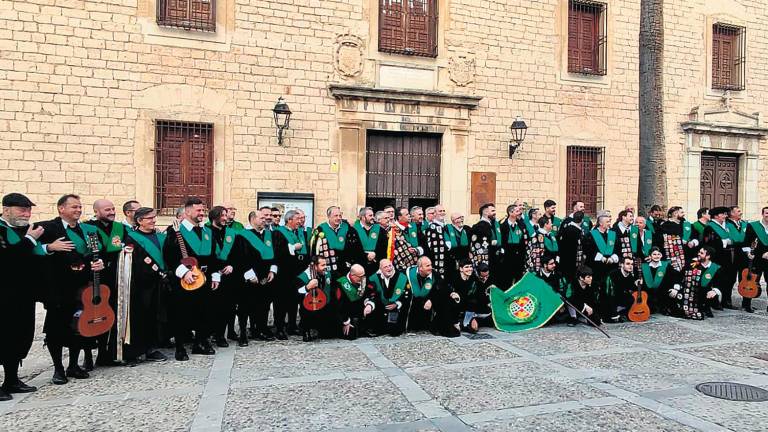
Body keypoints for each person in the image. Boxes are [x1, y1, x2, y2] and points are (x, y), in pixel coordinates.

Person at [37, 194, 103, 384]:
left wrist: (99, 263)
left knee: (79, 327)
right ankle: (58, 368)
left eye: (80, 207)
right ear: (61, 209)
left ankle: (73, 365)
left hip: (83, 288)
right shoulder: (48, 228)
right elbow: (30, 248)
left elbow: (96, 253)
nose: (78, 210)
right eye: (74, 207)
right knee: (56, 330)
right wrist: (49, 247)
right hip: (57, 289)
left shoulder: (89, 230)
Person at [162, 198, 219, 361]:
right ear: (187, 212)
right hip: (185, 279)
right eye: (198, 211)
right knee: (182, 313)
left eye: (203, 211)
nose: (202, 214)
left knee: (204, 311)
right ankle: (180, 347)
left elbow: (213, 256)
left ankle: (200, 343)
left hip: (205, 278)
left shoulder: (208, 232)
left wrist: (215, 274)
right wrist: (184, 273)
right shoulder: (175, 231)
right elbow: (169, 255)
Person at [0, 193, 45, 400]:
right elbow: (9, 259)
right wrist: (30, 239)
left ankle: (11, 379)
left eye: (28, 210)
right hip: (3, 294)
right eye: (21, 209)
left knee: (19, 336)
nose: (26, 214)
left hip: (23, 294)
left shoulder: (24, 230)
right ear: (6, 209)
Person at [120, 207, 169, 365]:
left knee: (155, 316)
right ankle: (133, 352)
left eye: (154, 217)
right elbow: (134, 263)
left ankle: (151, 348)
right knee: (138, 318)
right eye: (149, 218)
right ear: (140, 221)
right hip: (140, 285)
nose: (153, 221)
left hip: (159, 283)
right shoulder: (132, 238)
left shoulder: (160, 237)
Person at [83, 199, 126, 368]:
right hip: (94, 278)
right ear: (96, 211)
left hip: (115, 278)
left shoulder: (120, 228)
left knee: (110, 316)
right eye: (107, 209)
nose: (112, 212)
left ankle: (104, 353)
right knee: (90, 315)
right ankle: (87, 355)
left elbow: (129, 243)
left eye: (113, 209)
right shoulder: (87, 227)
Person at [235, 210, 277, 344]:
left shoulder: (269, 235)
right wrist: (249, 273)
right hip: (249, 277)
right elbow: (239, 257)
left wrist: (272, 270)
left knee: (263, 305)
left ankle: (260, 329)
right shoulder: (242, 236)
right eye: (261, 218)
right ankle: (243, 333)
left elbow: (275, 254)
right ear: (252, 219)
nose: (264, 220)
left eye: (265, 218)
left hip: (265, 276)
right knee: (245, 306)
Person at [273, 210, 310, 339]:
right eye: (297, 219)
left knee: (294, 299)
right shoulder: (279, 232)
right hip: (284, 273)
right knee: (281, 301)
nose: (299, 221)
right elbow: (278, 251)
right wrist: (293, 248)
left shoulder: (299, 232)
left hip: (297, 272)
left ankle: (292, 325)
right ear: (289, 220)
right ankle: (279, 328)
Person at [404, 256, 461, 337]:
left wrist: (451, 293)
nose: (431, 267)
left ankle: (439, 326)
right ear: (420, 268)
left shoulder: (434, 274)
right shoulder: (409, 274)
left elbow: (443, 287)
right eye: (427, 266)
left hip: (427, 301)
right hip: (412, 303)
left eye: (431, 265)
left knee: (446, 299)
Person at [207, 206, 238, 348]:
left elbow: (237, 253)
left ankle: (221, 335)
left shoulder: (231, 233)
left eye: (226, 215)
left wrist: (232, 265)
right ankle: (210, 333)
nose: (226, 218)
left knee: (227, 307)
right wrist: (215, 271)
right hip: (212, 275)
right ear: (214, 217)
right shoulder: (206, 232)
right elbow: (206, 255)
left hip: (229, 275)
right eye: (223, 216)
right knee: (212, 307)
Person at [668, 246, 723, 319]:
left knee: (713, 296)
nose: (698, 254)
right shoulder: (691, 263)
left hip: (703, 292)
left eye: (701, 253)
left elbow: (720, 283)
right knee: (671, 293)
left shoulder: (716, 268)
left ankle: (706, 308)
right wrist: (676, 288)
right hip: (689, 290)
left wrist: (714, 291)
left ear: (708, 256)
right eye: (699, 252)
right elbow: (679, 276)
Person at [310, 206, 360, 279]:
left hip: (345, 267)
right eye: (336, 216)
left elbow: (356, 247)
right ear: (329, 216)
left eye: (340, 215)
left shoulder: (348, 228)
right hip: (328, 265)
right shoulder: (320, 229)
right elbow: (314, 248)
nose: (339, 218)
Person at [703, 207, 736, 310]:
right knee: (717, 280)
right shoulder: (710, 227)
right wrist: (724, 242)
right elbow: (709, 243)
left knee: (730, 279)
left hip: (730, 257)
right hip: (718, 257)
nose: (725, 216)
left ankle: (727, 300)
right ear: (716, 216)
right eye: (723, 214)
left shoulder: (728, 225)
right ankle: (714, 302)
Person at [295, 255, 334, 341]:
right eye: (322, 265)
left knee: (330, 334)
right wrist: (307, 287)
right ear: (314, 266)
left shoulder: (327, 274)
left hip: (325, 307)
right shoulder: (303, 277)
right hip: (310, 307)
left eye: (326, 265)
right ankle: (306, 329)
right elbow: (296, 294)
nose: (325, 267)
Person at [334, 264, 377, 340]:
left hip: (361, 310)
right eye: (360, 276)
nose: (363, 278)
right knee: (351, 335)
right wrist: (345, 321)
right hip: (346, 314)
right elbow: (338, 305)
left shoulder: (363, 278)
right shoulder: (341, 283)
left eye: (364, 275)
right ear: (352, 275)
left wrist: (369, 304)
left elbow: (372, 292)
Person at [368, 259, 410, 336]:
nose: (389, 268)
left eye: (390, 266)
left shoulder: (402, 277)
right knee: (377, 330)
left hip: (396, 308)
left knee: (394, 332)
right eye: (385, 267)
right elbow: (371, 294)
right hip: (380, 307)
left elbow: (407, 295)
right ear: (380, 269)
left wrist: (397, 304)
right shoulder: (374, 278)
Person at [453, 259, 492, 333]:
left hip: (472, 308)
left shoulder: (474, 279)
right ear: (461, 269)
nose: (469, 269)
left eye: (471, 267)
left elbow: (480, 294)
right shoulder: (455, 279)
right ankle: (464, 323)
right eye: (466, 267)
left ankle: (470, 320)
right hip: (458, 306)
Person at [584, 214, 620, 294]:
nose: (609, 223)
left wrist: (612, 258)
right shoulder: (591, 235)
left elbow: (618, 249)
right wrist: (601, 258)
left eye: (609, 221)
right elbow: (588, 250)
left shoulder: (613, 234)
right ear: (600, 223)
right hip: (596, 267)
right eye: (607, 222)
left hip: (611, 267)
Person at [640, 247, 681, 315]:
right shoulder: (644, 267)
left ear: (661, 255)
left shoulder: (666, 265)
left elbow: (676, 275)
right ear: (650, 256)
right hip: (649, 294)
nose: (657, 256)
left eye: (658, 254)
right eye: (654, 254)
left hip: (663, 292)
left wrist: (675, 288)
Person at [655, 207, 697, 272]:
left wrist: (693, 242)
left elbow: (695, 236)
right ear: (675, 213)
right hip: (672, 256)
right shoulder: (665, 226)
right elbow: (659, 240)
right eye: (682, 212)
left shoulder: (687, 224)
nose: (684, 214)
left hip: (687, 256)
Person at [743, 207, 768, 313]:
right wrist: (748, 253)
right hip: (756, 259)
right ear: (762, 214)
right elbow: (747, 242)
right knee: (751, 281)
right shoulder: (753, 226)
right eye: (767, 213)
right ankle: (746, 304)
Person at [726, 206, 750, 312]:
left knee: (745, 278)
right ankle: (727, 301)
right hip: (732, 255)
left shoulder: (744, 223)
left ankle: (746, 303)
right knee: (730, 279)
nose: (741, 213)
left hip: (745, 255)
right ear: (731, 213)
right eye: (738, 211)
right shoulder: (726, 224)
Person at [472, 203, 503, 281]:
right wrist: (494, 243)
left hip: (493, 258)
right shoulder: (481, 226)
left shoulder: (492, 225)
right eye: (492, 211)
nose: (494, 213)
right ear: (485, 212)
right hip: (485, 260)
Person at [499, 203, 527, 287]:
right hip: (507, 257)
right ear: (510, 213)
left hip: (519, 257)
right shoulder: (502, 225)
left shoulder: (521, 224)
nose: (520, 213)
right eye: (517, 211)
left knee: (519, 280)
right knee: (506, 280)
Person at [387, 206, 423, 272]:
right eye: (406, 214)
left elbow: (423, 243)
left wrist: (416, 249)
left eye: (408, 214)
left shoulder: (414, 226)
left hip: (415, 264)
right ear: (399, 217)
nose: (409, 216)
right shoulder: (392, 229)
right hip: (399, 265)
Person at [603, 257, 638, 323]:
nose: (630, 266)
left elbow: (630, 288)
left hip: (619, 297)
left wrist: (636, 284)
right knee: (613, 319)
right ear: (621, 264)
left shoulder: (630, 276)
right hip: (609, 297)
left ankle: (619, 312)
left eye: (632, 264)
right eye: (628, 264)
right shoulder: (613, 274)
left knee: (631, 299)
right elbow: (608, 293)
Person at [353, 207, 383, 276]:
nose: (373, 217)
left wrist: (375, 254)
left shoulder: (380, 229)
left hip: (375, 265)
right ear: (363, 217)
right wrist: (366, 255)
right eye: (370, 215)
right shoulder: (353, 230)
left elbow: (383, 246)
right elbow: (352, 249)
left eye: (373, 215)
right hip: (359, 265)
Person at [557, 211, 587, 280]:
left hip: (565, 261)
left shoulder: (567, 228)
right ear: (582, 220)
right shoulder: (575, 231)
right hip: (572, 263)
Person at [424, 203, 451, 278]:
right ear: (434, 213)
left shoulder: (446, 226)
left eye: (443, 210)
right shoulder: (432, 228)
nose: (442, 213)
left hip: (447, 262)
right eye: (440, 211)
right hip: (438, 262)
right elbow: (433, 248)